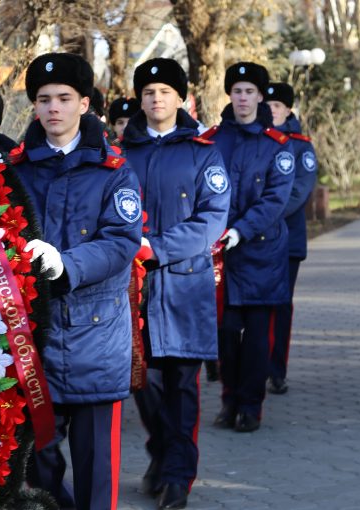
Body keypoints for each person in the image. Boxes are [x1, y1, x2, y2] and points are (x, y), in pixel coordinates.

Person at [14, 52, 143, 510]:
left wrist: (66, 264)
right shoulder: (13, 170)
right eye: (44, 99)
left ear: (84, 104)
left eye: (64, 98)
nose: (53, 108)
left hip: (96, 337)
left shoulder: (114, 170)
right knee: (36, 465)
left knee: (97, 471)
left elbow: (121, 241)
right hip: (33, 340)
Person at [121, 58, 230, 510]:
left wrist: (156, 249)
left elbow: (212, 220)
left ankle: (177, 477)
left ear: (181, 98)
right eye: (148, 93)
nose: (156, 99)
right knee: (143, 384)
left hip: (184, 288)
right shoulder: (120, 154)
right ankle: (163, 454)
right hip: (133, 291)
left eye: (165, 92)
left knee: (182, 386)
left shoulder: (204, 151)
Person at [203, 62, 295, 433]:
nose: (242, 98)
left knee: (256, 336)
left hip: (262, 254)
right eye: (237, 90)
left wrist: (240, 229)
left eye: (250, 92)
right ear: (230, 95)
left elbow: (276, 201)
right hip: (221, 255)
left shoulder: (277, 146)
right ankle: (229, 399)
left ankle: (251, 405)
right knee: (226, 333)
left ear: (261, 96)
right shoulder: (212, 140)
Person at [265, 82, 318, 395]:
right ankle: (252, 366)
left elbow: (299, 191)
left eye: (277, 106)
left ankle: (277, 370)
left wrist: (261, 216)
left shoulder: (301, 146)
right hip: (252, 241)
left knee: (281, 305)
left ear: (287, 110)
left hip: (286, 239)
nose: (271, 110)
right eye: (267, 104)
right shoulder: (256, 141)